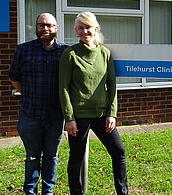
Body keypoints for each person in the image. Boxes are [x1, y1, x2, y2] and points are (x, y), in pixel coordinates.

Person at [59, 11, 129, 195]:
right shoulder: (70, 54)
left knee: (119, 152)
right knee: (76, 158)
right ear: (76, 31)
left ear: (95, 28)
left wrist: (112, 113)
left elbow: (112, 84)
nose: (84, 31)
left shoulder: (105, 53)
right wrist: (69, 118)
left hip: (102, 115)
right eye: (80, 28)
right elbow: (63, 87)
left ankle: (123, 192)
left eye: (88, 27)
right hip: (79, 116)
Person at [9, 13, 68, 195]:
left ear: (56, 28)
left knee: (52, 156)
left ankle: (48, 191)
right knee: (32, 157)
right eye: (42, 25)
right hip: (30, 115)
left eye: (50, 25)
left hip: (55, 116)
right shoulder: (23, 50)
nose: (45, 29)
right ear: (35, 27)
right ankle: (30, 191)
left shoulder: (65, 52)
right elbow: (14, 77)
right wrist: (27, 93)